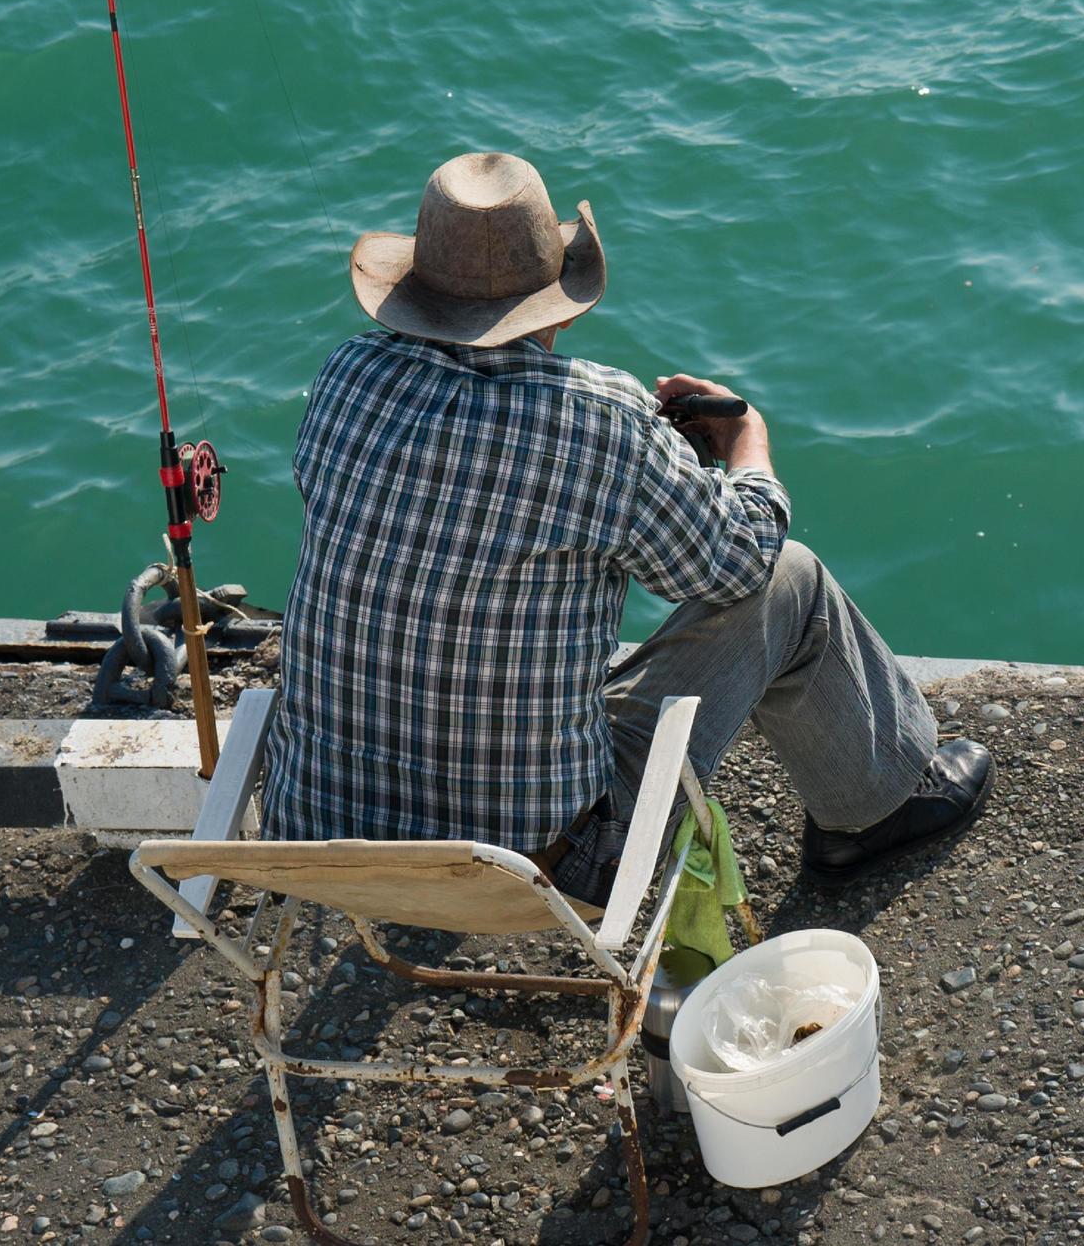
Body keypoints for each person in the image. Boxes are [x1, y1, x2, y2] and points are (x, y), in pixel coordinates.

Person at [258, 150, 992, 897]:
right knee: (791, 579)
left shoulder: (346, 376)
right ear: (565, 302)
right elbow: (734, 563)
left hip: (323, 841)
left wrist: (632, 451)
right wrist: (746, 447)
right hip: (534, 866)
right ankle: (870, 816)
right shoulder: (599, 420)